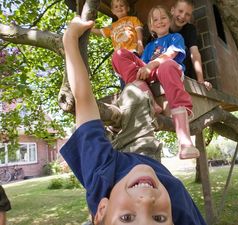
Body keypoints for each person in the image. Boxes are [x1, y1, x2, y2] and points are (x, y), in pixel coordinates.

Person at [61, 15, 207, 225]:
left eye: (127, 217)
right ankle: (145, 97)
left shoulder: (100, 176)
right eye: (158, 218)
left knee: (130, 91)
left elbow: (83, 100)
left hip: (116, 157)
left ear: (101, 209)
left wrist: (70, 39)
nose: (146, 199)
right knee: (132, 89)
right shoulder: (177, 203)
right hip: (143, 142)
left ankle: (137, 100)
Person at [112, 5, 200, 160]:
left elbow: (170, 55)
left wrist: (150, 66)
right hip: (150, 76)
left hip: (169, 72)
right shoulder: (149, 47)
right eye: (155, 19)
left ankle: (185, 141)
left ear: (169, 19)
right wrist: (144, 68)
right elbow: (140, 69)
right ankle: (150, 101)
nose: (160, 21)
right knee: (119, 54)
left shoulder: (175, 38)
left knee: (165, 66)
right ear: (151, 26)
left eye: (163, 17)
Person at [170, 0, 212, 90]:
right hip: (164, 67)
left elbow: (195, 53)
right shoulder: (162, 27)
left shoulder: (190, 29)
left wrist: (201, 80)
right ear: (172, 10)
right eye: (180, 11)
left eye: (187, 14)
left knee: (183, 49)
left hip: (183, 71)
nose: (183, 16)